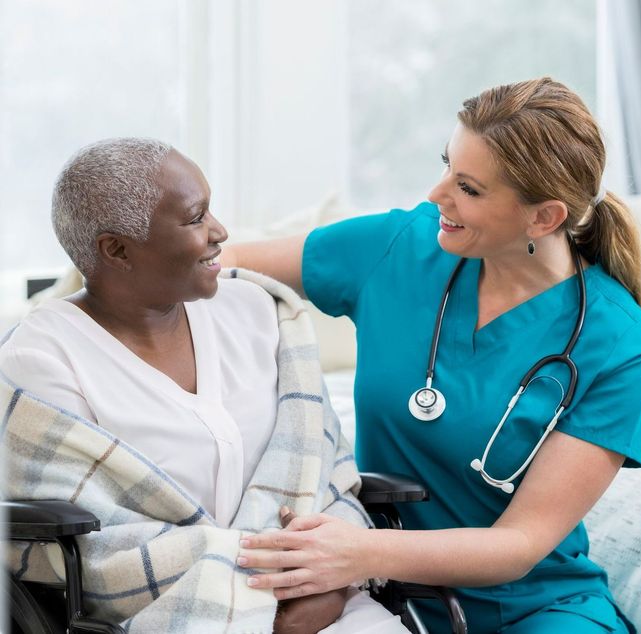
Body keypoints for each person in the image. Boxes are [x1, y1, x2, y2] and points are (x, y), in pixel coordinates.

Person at [223, 78, 641, 633]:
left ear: (544, 218)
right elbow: (225, 262)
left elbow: (520, 543)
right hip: (375, 597)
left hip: (529, 608)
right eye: (446, 166)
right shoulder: (399, 246)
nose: (436, 195)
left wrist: (359, 551)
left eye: (469, 188)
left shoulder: (619, 341)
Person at [0, 138, 410, 634]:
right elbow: (94, 549)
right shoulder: (40, 358)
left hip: (328, 601)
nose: (220, 231)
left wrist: (326, 588)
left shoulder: (258, 311)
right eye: (196, 218)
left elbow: (323, 481)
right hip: (171, 615)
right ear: (117, 249)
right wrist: (266, 611)